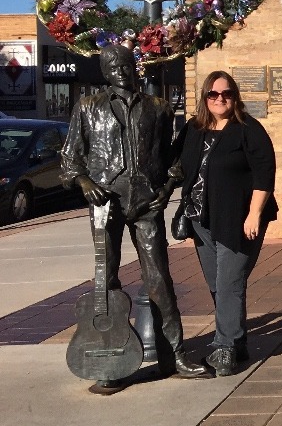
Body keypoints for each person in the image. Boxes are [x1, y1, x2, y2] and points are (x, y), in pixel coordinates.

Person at [61, 44, 209, 385]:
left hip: (146, 204)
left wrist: (166, 190)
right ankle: (107, 362)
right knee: (106, 278)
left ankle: (173, 356)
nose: (119, 70)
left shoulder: (157, 108)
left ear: (134, 67)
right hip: (105, 204)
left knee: (159, 279)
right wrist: (84, 182)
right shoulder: (87, 107)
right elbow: (70, 160)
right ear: (103, 71)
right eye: (111, 65)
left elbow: (173, 159)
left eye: (124, 64)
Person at [171, 71, 277, 377]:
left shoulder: (248, 130)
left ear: (235, 97)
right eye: (213, 95)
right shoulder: (194, 129)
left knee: (229, 283)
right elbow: (175, 163)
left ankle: (224, 348)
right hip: (201, 220)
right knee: (219, 286)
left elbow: (264, 174)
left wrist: (254, 214)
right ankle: (237, 342)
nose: (220, 99)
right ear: (205, 97)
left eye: (226, 94)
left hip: (238, 221)